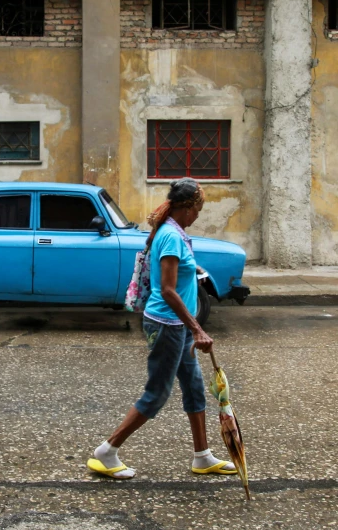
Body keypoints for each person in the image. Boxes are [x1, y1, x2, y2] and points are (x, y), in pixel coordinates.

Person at [86, 177, 236, 479]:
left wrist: (193, 268)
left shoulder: (173, 232)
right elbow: (167, 289)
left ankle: (202, 457)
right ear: (188, 208)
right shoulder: (170, 235)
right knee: (156, 393)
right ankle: (107, 451)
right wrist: (197, 329)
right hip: (167, 325)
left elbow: (173, 272)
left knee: (195, 389)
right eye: (198, 210)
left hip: (177, 326)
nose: (198, 216)